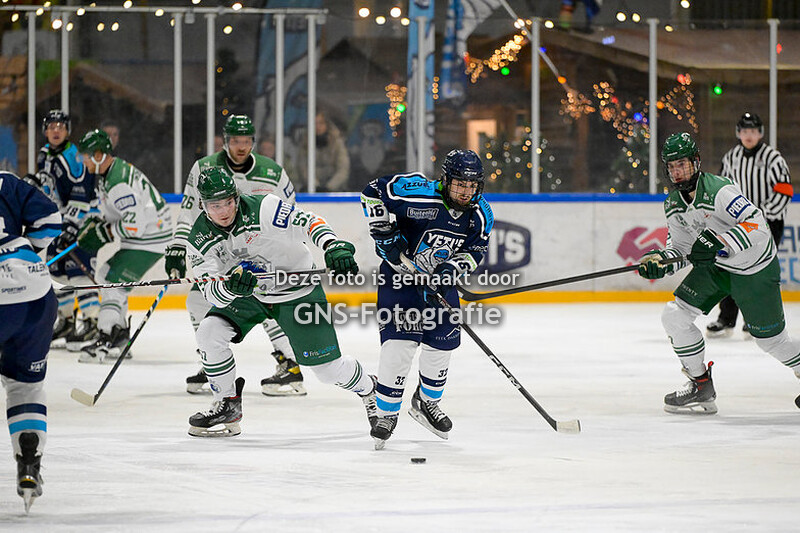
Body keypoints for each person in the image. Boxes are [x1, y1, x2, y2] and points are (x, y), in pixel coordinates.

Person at [183, 167, 376, 437]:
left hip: (297, 292)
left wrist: (332, 245)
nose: (223, 210)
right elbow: (211, 292)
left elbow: (310, 222)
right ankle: (227, 403)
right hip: (251, 295)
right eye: (215, 205)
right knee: (209, 333)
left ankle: (370, 388)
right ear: (203, 205)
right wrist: (230, 288)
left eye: (228, 201)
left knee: (327, 371)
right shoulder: (199, 240)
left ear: (236, 197)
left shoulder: (265, 209)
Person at [638, 132, 800, 414]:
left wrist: (721, 240)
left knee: (771, 342)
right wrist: (661, 260)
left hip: (754, 268)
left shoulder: (719, 190)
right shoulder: (674, 205)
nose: (678, 172)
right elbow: (682, 249)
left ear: (696, 162)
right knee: (674, 314)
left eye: (683, 165)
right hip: (719, 268)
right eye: (672, 167)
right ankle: (701, 385)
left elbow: (757, 225)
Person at [360, 149, 493, 449]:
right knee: (399, 346)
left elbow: (474, 252)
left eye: (471, 186)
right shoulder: (417, 191)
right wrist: (383, 232)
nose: (465, 191)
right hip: (400, 278)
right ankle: (386, 414)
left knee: (441, 345)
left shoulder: (482, 213)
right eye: (459, 184)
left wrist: (452, 269)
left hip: (440, 285)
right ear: (445, 180)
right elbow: (372, 192)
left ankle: (426, 402)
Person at [166, 114, 304, 396]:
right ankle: (211, 361)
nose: (241, 147)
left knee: (265, 300)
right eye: (235, 141)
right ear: (225, 141)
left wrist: (287, 253)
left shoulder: (272, 172)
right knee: (196, 299)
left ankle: (290, 365)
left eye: (247, 141)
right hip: (220, 251)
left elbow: (290, 215)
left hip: (263, 253)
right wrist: (179, 247)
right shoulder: (204, 168)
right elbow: (189, 212)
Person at [74, 129, 173, 362]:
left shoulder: (117, 181)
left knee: (110, 281)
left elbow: (135, 225)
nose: (83, 160)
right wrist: (101, 223)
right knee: (110, 277)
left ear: (99, 155)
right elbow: (124, 214)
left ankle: (106, 338)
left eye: (87, 156)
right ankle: (118, 338)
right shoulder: (112, 172)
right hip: (149, 236)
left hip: (150, 240)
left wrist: (106, 231)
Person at [0, 172, 62, 512]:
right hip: (35, 292)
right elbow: (50, 218)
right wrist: (29, 260)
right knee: (25, 386)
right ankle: (29, 459)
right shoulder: (5, 181)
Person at [707, 112, 793, 338]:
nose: (749, 135)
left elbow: (784, 190)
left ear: (760, 133)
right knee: (729, 268)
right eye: (745, 131)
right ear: (738, 133)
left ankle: (755, 320)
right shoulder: (731, 158)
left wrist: (762, 216)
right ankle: (726, 319)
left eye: (753, 131)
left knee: (758, 272)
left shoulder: (773, 158)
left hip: (767, 225)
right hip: (737, 226)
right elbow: (720, 190)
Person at [30, 110, 100, 353]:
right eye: (51, 126)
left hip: (82, 221)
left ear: (68, 130)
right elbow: (49, 185)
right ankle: (68, 321)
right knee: (58, 272)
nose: (56, 130)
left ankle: (92, 320)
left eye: (60, 126)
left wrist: (70, 227)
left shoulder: (73, 157)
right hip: (59, 221)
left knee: (79, 272)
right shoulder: (45, 154)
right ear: (45, 130)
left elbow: (82, 196)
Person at [296, 111, 350, 192]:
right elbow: (303, 169)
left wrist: (329, 187)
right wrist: (316, 186)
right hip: (311, 190)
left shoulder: (337, 142)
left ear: (327, 125)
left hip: (335, 191)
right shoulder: (304, 144)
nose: (318, 127)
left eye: (321, 123)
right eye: (314, 123)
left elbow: (343, 169)